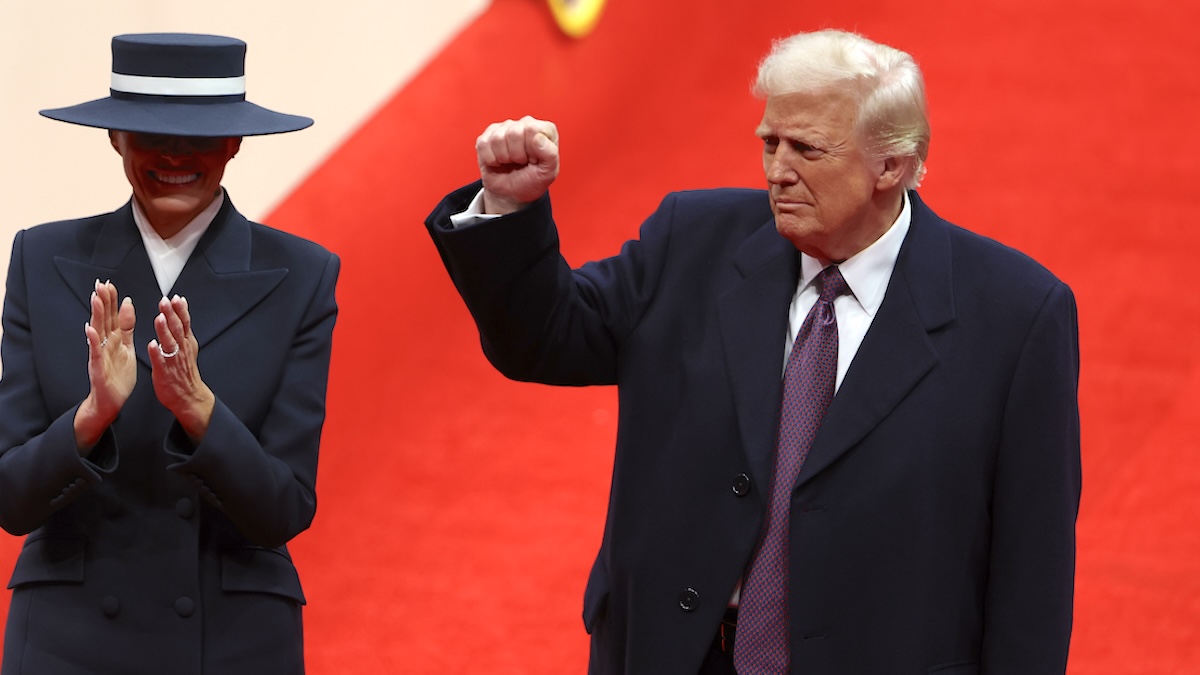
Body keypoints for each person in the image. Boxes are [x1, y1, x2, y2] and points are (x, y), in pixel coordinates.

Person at [425, 29, 1080, 675]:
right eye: (770, 143)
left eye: (807, 149)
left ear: (893, 164)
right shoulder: (692, 241)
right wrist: (509, 209)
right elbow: (547, 339)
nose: (777, 171)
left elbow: (1033, 569)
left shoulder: (1017, 315)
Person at [0, 33, 339, 674]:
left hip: (232, 640)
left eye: (202, 135)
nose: (176, 154)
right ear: (114, 137)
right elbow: (11, 500)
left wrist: (200, 411)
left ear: (237, 141)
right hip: (66, 642)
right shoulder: (40, 261)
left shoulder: (302, 275)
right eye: (151, 133)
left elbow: (283, 509)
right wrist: (91, 416)